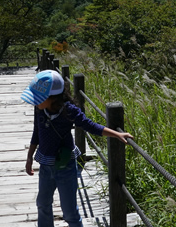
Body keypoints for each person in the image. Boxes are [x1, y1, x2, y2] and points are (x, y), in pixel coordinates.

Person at [21, 70, 132, 227]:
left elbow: (89, 125)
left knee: (70, 212)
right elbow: (36, 132)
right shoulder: (39, 109)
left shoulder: (68, 111)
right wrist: (29, 157)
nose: (35, 102)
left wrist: (116, 134)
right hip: (45, 166)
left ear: (52, 98)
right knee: (42, 204)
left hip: (65, 166)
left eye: (38, 98)